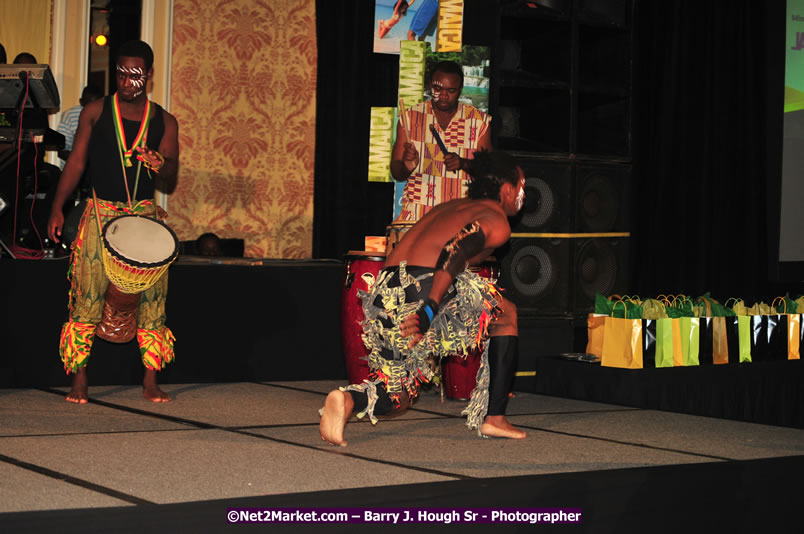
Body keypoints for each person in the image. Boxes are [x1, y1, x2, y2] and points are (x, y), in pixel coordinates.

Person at [320, 150, 527, 446]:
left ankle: (348, 400)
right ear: (506, 189)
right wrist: (430, 307)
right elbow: (454, 250)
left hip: (384, 288)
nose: (523, 194)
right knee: (506, 315)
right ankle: (494, 418)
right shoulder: (495, 218)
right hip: (424, 287)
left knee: (399, 394)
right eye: (521, 186)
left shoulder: (448, 208)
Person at [47, 40, 180, 404]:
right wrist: (58, 206)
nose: (127, 80)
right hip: (100, 212)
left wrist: (159, 162)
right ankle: (79, 380)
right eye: (121, 72)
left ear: (149, 76)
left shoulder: (164, 120)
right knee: (86, 296)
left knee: (153, 299)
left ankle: (150, 381)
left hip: (144, 216)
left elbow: (171, 171)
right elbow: (76, 163)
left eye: (135, 73)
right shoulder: (94, 111)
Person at [391, 60, 492, 223]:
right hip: (417, 219)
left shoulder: (479, 122)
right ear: (431, 85)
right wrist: (406, 166)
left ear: (460, 90)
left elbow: (490, 172)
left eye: (451, 90)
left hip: (460, 219)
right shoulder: (410, 117)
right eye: (438, 89)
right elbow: (396, 172)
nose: (443, 95)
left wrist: (464, 164)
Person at [57, 85, 103, 169]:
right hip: (73, 169)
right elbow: (62, 151)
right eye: (88, 106)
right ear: (81, 102)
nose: (92, 110)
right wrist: (85, 161)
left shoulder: (108, 116)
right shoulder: (70, 115)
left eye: (96, 106)